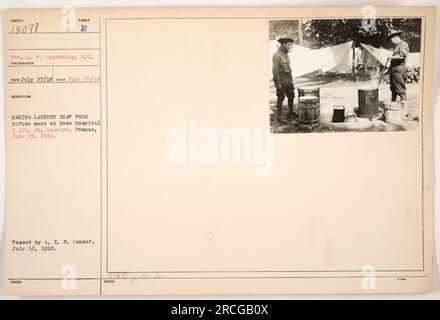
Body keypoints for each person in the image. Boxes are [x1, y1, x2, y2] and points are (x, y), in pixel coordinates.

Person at [272, 37, 295, 122]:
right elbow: (275, 71)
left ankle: (291, 112)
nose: (290, 46)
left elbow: (288, 69)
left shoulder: (285, 54)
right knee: (281, 97)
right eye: (289, 44)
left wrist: (291, 81)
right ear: (283, 44)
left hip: (288, 80)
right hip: (281, 81)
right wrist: (278, 85)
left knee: (291, 96)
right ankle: (280, 116)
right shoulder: (277, 55)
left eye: (291, 44)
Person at [386, 29, 409, 103]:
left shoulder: (403, 44)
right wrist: (388, 69)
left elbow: (401, 56)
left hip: (399, 69)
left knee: (400, 89)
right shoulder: (396, 46)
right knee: (393, 89)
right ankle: (393, 105)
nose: (390, 41)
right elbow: (394, 61)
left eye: (391, 39)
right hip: (394, 69)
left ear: (395, 37)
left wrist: (390, 57)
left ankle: (404, 110)